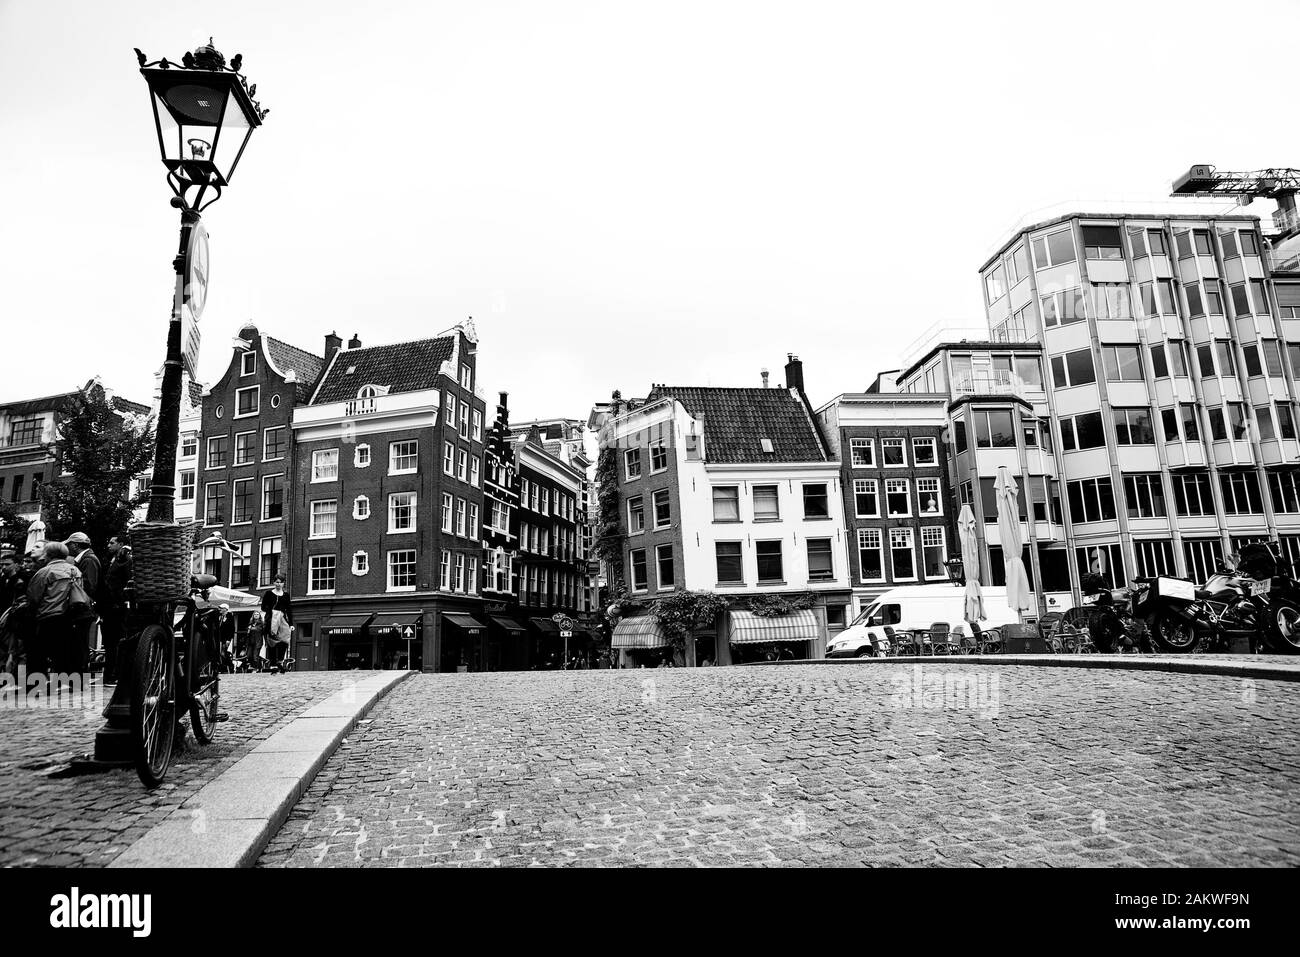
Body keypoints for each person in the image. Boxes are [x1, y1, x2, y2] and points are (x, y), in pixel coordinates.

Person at [25, 542, 84, 687]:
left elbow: (33, 597)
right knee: (66, 651)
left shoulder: (44, 572)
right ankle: (71, 683)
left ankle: (36, 685)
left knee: (38, 653)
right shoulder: (74, 570)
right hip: (69, 617)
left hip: (47, 616)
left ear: (49, 554)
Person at [64, 532, 100, 674]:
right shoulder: (85, 559)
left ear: (75, 545)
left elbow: (90, 585)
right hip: (82, 607)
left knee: (80, 644)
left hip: (82, 608)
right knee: (79, 643)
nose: (68, 547)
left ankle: (80, 676)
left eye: (69, 544)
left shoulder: (88, 560)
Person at [99, 533, 133, 684]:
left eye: (112, 542)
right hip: (110, 606)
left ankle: (114, 674)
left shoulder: (125, 560)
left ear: (120, 544)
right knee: (111, 643)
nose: (108, 545)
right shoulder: (113, 560)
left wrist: (121, 601)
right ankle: (110, 674)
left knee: (115, 642)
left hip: (117, 607)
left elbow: (126, 581)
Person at [260, 574, 293, 672]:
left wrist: (290, 624)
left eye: (281, 582)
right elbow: (263, 607)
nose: (279, 584)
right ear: (274, 583)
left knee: (285, 639)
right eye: (277, 582)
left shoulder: (286, 595)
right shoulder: (268, 593)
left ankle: (280, 661)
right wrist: (272, 612)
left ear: (283, 584)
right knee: (272, 641)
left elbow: (289, 610)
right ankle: (273, 664)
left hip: (282, 618)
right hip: (272, 618)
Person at [218, 604, 236, 673]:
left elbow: (232, 629)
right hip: (219, 638)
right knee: (220, 653)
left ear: (225, 609)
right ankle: (223, 667)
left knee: (223, 653)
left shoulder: (230, 617)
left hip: (226, 638)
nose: (220, 610)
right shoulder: (219, 617)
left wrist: (229, 639)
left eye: (221, 608)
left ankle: (229, 666)